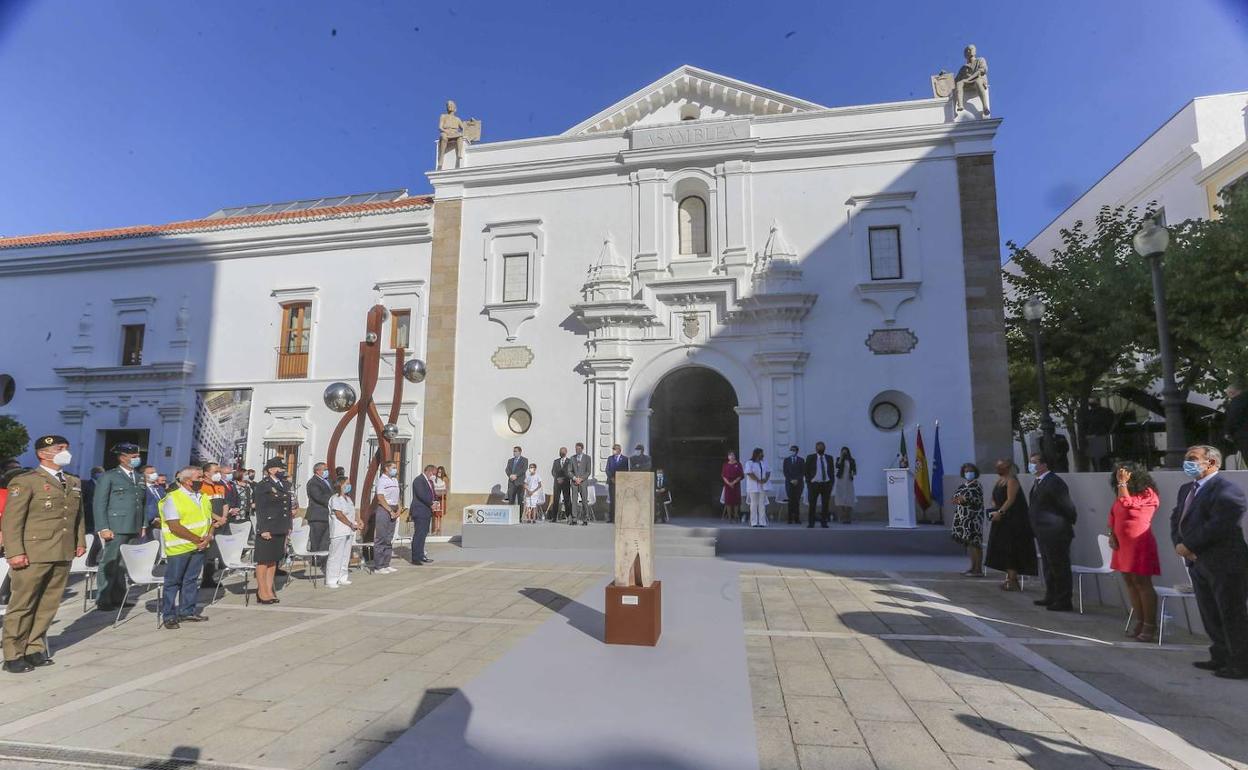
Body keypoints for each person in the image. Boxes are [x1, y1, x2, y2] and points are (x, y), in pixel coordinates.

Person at [2, 435, 87, 673]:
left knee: (48, 603)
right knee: (23, 604)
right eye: (59, 448)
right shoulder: (25, 481)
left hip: (62, 550)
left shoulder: (73, 481)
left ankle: (34, 647)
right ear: (43, 453)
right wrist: (15, 552)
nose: (65, 452)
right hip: (33, 551)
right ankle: (13, 653)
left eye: (66, 448)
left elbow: (78, 516)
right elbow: (12, 521)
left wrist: (79, 541)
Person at [1171, 445, 1248, 679]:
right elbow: (1177, 518)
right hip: (1198, 563)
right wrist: (1179, 544)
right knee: (1210, 611)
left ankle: (1241, 663)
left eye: (1193, 459)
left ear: (1212, 463)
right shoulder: (1187, 489)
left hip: (1224, 563)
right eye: (1186, 458)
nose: (1188, 463)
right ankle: (1220, 655)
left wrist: (1190, 545)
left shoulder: (1227, 490)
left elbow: (1219, 526)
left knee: (1231, 612)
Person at [1107, 462, 1161, 641]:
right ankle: (1139, 620)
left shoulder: (1148, 494)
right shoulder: (1121, 492)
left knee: (1142, 581)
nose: (1120, 478)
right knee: (1129, 581)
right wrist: (1111, 534)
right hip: (1122, 544)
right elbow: (1114, 514)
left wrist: (1123, 485)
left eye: (1123, 475)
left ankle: (1149, 625)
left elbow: (1128, 505)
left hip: (1139, 543)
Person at [92, 442, 147, 612]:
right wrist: (103, 527)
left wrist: (143, 523)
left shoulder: (138, 477)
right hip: (115, 525)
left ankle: (118, 597)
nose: (137, 459)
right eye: (133, 457)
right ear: (122, 458)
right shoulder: (109, 476)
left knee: (123, 564)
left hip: (133, 525)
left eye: (137, 456)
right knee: (109, 561)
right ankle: (103, 597)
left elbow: (141, 503)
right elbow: (99, 504)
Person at [159, 466, 213, 627]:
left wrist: (208, 536)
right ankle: (169, 615)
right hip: (180, 548)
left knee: (191, 580)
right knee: (173, 582)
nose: (203, 480)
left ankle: (187, 611)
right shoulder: (172, 498)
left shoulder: (202, 496)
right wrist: (197, 539)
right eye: (199, 477)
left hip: (199, 546)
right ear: (188, 481)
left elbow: (209, 520)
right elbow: (175, 526)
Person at [1027, 452, 1077, 612]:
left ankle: (1064, 600)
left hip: (1056, 532)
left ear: (1044, 464)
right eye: (1030, 462)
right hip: (1042, 532)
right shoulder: (1038, 482)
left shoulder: (1054, 482)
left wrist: (1062, 524)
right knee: (1048, 565)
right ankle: (1051, 595)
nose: (1032, 465)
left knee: (1059, 565)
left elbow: (1067, 507)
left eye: (1034, 462)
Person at [984, 460, 1038, 592]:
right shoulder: (1000, 481)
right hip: (1001, 521)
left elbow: (1011, 499)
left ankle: (1012, 579)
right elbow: (995, 497)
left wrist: (1001, 511)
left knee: (1011, 548)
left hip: (1013, 521)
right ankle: (1009, 577)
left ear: (1008, 468)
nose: (998, 468)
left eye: (1001, 466)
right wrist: (994, 507)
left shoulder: (1012, 481)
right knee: (1002, 548)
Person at [253, 457, 293, 603]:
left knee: (273, 561)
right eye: (279, 468)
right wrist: (263, 528)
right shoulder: (263, 485)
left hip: (280, 527)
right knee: (263, 561)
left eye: (283, 468)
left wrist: (288, 526)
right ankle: (261, 591)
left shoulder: (283, 484)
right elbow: (261, 508)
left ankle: (269, 590)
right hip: (268, 527)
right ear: (271, 470)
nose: (282, 471)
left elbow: (287, 507)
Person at [951, 463, 985, 577]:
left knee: (975, 543)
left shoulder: (977, 485)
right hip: (962, 519)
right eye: (966, 471)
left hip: (973, 518)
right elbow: (954, 499)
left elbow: (973, 499)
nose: (968, 473)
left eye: (971, 471)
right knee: (969, 544)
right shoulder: (962, 486)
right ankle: (972, 567)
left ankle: (978, 569)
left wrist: (963, 499)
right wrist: (961, 499)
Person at [326, 477, 361, 588]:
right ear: (340, 485)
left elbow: (353, 511)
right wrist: (351, 524)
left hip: (349, 531)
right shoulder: (335, 499)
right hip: (339, 531)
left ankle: (342, 577)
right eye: (347, 483)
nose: (349, 485)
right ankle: (331, 579)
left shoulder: (348, 499)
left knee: (345, 555)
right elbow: (339, 515)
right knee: (336, 555)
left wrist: (359, 521)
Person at [372, 459, 401, 574]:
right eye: (393, 468)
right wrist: (389, 510)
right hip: (384, 509)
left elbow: (397, 496)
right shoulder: (382, 480)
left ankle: (386, 563)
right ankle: (379, 566)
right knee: (381, 537)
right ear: (386, 468)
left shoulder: (394, 480)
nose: (395, 470)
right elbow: (380, 497)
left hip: (394, 508)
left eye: (395, 467)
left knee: (389, 538)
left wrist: (399, 508)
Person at [410, 464, 436, 565]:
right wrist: (431, 503)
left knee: (423, 534)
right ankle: (415, 558)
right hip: (420, 511)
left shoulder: (429, 481)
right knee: (419, 534)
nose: (434, 476)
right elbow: (421, 495)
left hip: (426, 512)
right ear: (429, 471)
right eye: (433, 473)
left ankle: (421, 555)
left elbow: (431, 494)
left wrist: (435, 502)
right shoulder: (419, 480)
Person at [804, 442, 834, 527]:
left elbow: (831, 471)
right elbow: (806, 471)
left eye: (822, 447)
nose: (820, 448)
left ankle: (824, 522)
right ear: (816, 448)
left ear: (824, 448)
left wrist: (831, 483)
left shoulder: (829, 458)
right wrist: (809, 482)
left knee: (825, 505)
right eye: (819, 447)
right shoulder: (811, 457)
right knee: (812, 505)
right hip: (814, 484)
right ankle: (811, 523)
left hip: (826, 484)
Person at [305, 462, 333, 553]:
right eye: (325, 470)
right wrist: (334, 501)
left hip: (327, 516)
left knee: (325, 542)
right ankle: (315, 562)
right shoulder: (313, 483)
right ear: (317, 471)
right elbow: (319, 497)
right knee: (316, 541)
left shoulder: (328, 481)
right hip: (317, 517)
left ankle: (323, 562)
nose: (327, 471)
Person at [81, 466, 104, 566]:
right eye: (99, 473)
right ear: (94, 474)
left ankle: (93, 560)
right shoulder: (86, 485)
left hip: (99, 517)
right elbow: (82, 501)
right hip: (89, 517)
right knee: (90, 539)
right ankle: (87, 561)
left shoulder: (103, 485)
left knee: (98, 541)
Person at [744, 448, 771, 528]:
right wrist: (758, 480)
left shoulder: (764, 462)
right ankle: (754, 522)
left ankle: (762, 522)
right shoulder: (749, 463)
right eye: (761, 453)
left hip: (763, 485)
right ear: (757, 454)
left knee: (762, 504)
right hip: (753, 486)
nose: (762, 455)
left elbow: (768, 471)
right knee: (753, 504)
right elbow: (749, 473)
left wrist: (765, 479)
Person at [1224, 383, 1248, 463]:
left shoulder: (1237, 400)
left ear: (1232, 392)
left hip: (1243, 434)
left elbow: (1233, 417)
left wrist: (1228, 432)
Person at [570, 443, 592, 526]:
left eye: (579, 449)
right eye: (576, 449)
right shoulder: (572, 458)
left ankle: (585, 518)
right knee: (574, 501)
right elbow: (569, 471)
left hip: (583, 482)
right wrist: (575, 478)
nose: (577, 450)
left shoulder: (587, 458)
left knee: (584, 501)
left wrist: (581, 479)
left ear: (582, 449)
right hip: (574, 483)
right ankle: (574, 519)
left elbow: (588, 471)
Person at [605, 444, 629, 524]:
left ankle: (620, 518)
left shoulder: (625, 459)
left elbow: (626, 470)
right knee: (612, 500)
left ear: (619, 450)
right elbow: (607, 470)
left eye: (615, 449)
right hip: (612, 482)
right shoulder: (610, 458)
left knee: (620, 501)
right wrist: (611, 478)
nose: (614, 450)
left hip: (621, 482)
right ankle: (612, 518)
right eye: (613, 449)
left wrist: (620, 479)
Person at [834, 447, 857, 524]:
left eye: (845, 452)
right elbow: (837, 466)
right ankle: (842, 517)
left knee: (849, 498)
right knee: (841, 498)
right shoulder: (838, 459)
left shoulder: (851, 460)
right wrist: (841, 457)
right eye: (843, 452)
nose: (844, 453)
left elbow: (855, 470)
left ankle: (848, 517)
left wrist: (853, 473)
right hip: (841, 480)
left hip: (848, 480)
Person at [782, 446, 804, 525]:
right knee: (790, 501)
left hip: (799, 483)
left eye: (793, 450)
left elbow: (802, 471)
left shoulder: (801, 460)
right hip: (789, 482)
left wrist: (797, 479)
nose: (792, 451)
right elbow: (785, 471)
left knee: (797, 501)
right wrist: (791, 479)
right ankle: (789, 518)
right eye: (791, 450)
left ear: (797, 451)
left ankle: (797, 518)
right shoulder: (786, 460)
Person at [549, 448, 573, 524]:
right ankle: (554, 517)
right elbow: (553, 471)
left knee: (567, 500)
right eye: (560, 452)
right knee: (556, 500)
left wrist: (564, 478)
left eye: (563, 452)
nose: (561, 453)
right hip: (557, 483)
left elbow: (571, 472)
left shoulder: (569, 461)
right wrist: (558, 478)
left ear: (566, 452)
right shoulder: (556, 461)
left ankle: (569, 516)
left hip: (566, 483)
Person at [142, 465, 164, 542]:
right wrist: (152, 519)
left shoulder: (160, 489)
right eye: (151, 473)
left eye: (155, 472)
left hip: (161, 524)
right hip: (148, 525)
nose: (154, 474)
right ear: (143, 475)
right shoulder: (141, 489)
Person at [721, 451, 744, 522]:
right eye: (730, 455)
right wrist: (728, 483)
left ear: (735, 456)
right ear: (728, 457)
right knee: (728, 501)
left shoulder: (738, 464)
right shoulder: (725, 465)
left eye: (732, 455)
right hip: (727, 485)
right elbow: (723, 475)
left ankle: (736, 516)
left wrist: (733, 482)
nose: (731, 457)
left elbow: (741, 475)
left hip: (736, 484)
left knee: (736, 501)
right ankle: (729, 517)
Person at [432, 466, 448, 535]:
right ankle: (435, 529)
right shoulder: (434, 479)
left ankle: (439, 528)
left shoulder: (445, 479)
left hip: (442, 498)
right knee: (435, 513)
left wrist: (441, 492)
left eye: (440, 472)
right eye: (438, 472)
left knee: (440, 515)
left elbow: (446, 489)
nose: (439, 473)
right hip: (435, 498)